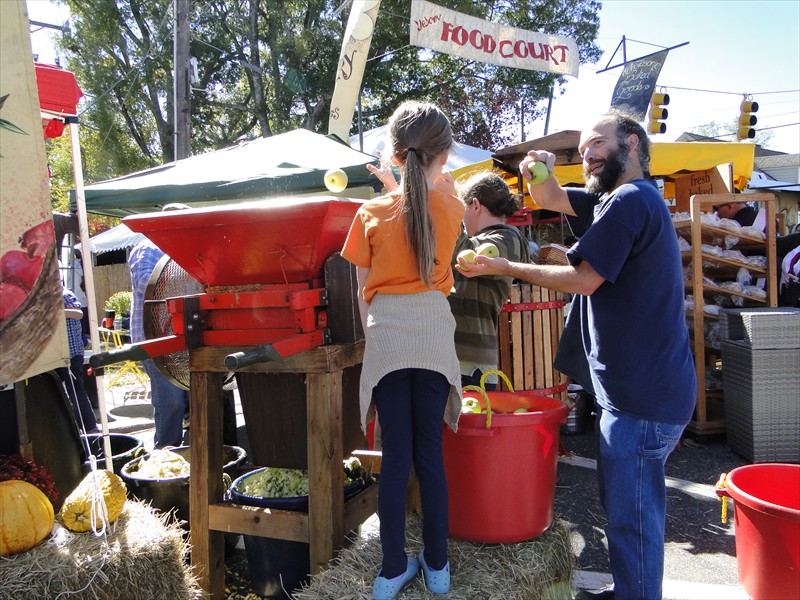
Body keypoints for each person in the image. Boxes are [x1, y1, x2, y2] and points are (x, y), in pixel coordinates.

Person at [457, 109, 697, 600]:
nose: (586, 154)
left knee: (632, 521)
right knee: (627, 512)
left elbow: (585, 279)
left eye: (597, 145)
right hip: (638, 394)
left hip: (641, 399)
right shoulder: (617, 199)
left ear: (631, 144)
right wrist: (537, 168)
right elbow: (552, 197)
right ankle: (632, 590)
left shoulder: (629, 200)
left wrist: (505, 266)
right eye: (582, 148)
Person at [341, 100, 464, 599]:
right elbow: (428, 213)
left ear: (393, 152)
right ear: (444, 155)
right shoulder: (453, 207)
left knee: (394, 460)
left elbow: (363, 289)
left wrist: (393, 189)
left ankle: (393, 569)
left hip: (388, 336)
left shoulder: (368, 213)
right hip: (434, 332)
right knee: (430, 459)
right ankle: (438, 569)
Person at [448, 173, 531, 389]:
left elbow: (467, 257)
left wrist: (447, 207)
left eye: (462, 209)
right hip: (451, 356)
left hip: (472, 364)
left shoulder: (510, 239)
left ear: (475, 205)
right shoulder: (480, 238)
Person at [129, 204, 190, 449]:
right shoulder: (148, 248)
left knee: (189, 401)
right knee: (171, 401)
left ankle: (188, 454)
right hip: (153, 340)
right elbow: (146, 283)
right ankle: (165, 457)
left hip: (180, 338)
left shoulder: (184, 250)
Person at [56, 284, 99, 434]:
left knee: (76, 392)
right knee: (62, 392)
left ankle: (90, 428)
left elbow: (78, 313)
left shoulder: (64, 293)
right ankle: (77, 428)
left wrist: (56, 312)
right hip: (60, 354)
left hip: (72, 355)